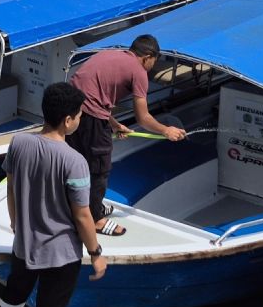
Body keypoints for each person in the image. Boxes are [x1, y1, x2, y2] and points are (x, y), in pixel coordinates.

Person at [0, 82, 106, 307]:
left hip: (24, 246)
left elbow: (11, 188)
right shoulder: (75, 161)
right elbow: (82, 215)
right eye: (78, 115)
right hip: (61, 256)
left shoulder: (19, 143)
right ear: (68, 120)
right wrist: (96, 252)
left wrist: (16, 222)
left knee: (12, 301)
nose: (79, 120)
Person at [67, 33, 186, 236]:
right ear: (148, 56)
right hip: (89, 117)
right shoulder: (138, 71)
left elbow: (93, 94)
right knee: (99, 168)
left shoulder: (109, 54)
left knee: (75, 161)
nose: (152, 67)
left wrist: (113, 124)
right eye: (154, 62)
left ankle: (78, 207)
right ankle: (94, 219)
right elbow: (143, 117)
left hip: (69, 109)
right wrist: (166, 130)